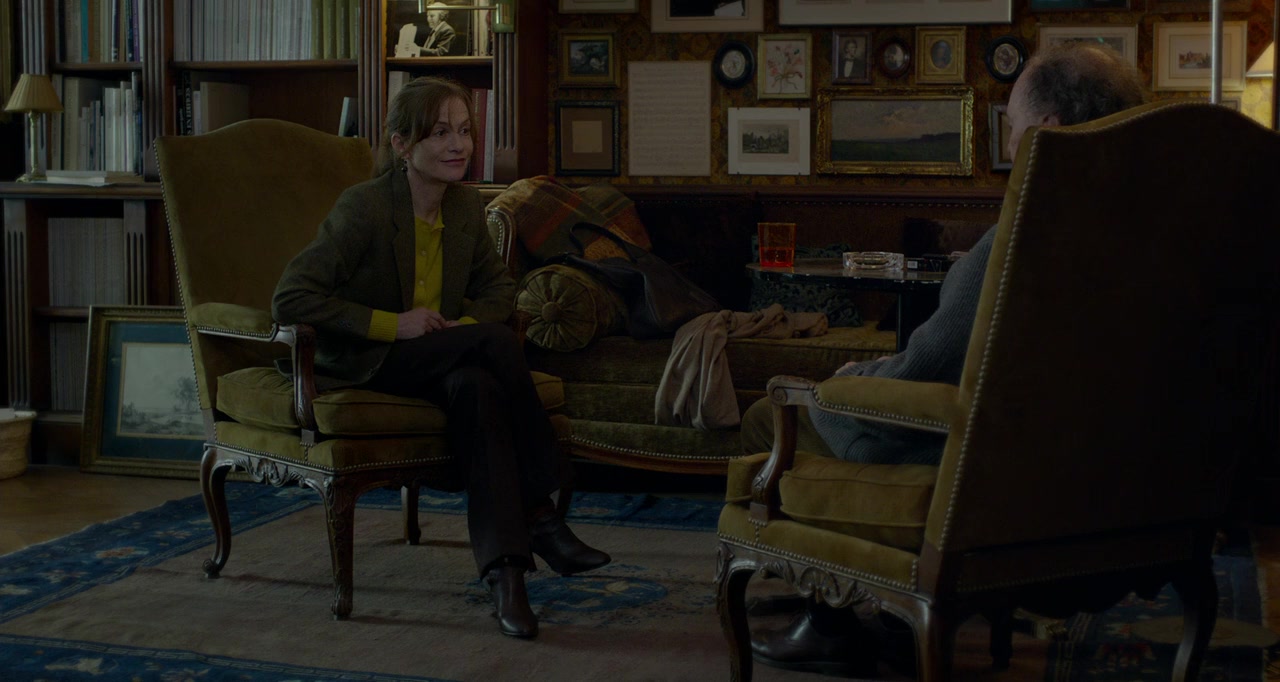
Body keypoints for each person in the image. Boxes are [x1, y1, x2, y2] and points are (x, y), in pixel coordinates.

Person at [739, 41, 1146, 676]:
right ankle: (877, 604)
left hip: (993, 483)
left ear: (1048, 131)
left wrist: (848, 380)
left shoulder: (1018, 241)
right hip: (1107, 482)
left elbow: (919, 370)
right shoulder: (1150, 243)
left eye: (1013, 129)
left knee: (778, 413)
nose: (1010, 147)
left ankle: (830, 616)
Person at [272, 76, 610, 640]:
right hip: (369, 359)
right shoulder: (365, 207)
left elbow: (499, 289)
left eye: (464, 131)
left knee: (478, 385)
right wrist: (394, 324)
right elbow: (291, 297)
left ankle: (507, 577)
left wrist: (462, 329)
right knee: (495, 345)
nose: (459, 146)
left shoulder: (465, 209)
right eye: (439, 133)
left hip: (440, 358)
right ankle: (541, 513)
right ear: (402, 145)